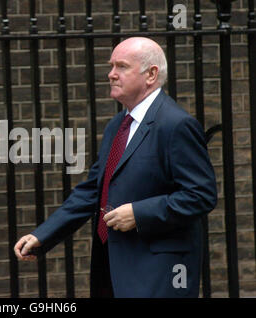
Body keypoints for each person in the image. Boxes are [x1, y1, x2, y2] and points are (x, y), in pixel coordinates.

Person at [13, 37, 217, 298]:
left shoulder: (176, 125)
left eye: (121, 66)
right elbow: (92, 191)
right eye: (111, 66)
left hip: (158, 272)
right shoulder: (118, 125)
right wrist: (43, 235)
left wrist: (139, 213)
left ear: (151, 74)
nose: (111, 74)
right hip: (111, 268)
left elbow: (201, 195)